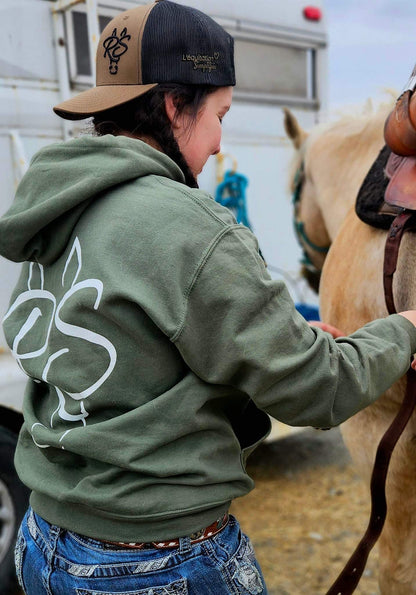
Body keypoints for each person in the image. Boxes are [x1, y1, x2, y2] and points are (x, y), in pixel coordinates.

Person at [1, 2, 416, 594]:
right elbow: (318, 392)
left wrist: (277, 343)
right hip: (156, 564)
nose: (220, 142)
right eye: (220, 114)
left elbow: (120, 350)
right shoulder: (191, 226)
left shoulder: (57, 206)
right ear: (174, 106)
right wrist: (403, 328)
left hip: (45, 541)